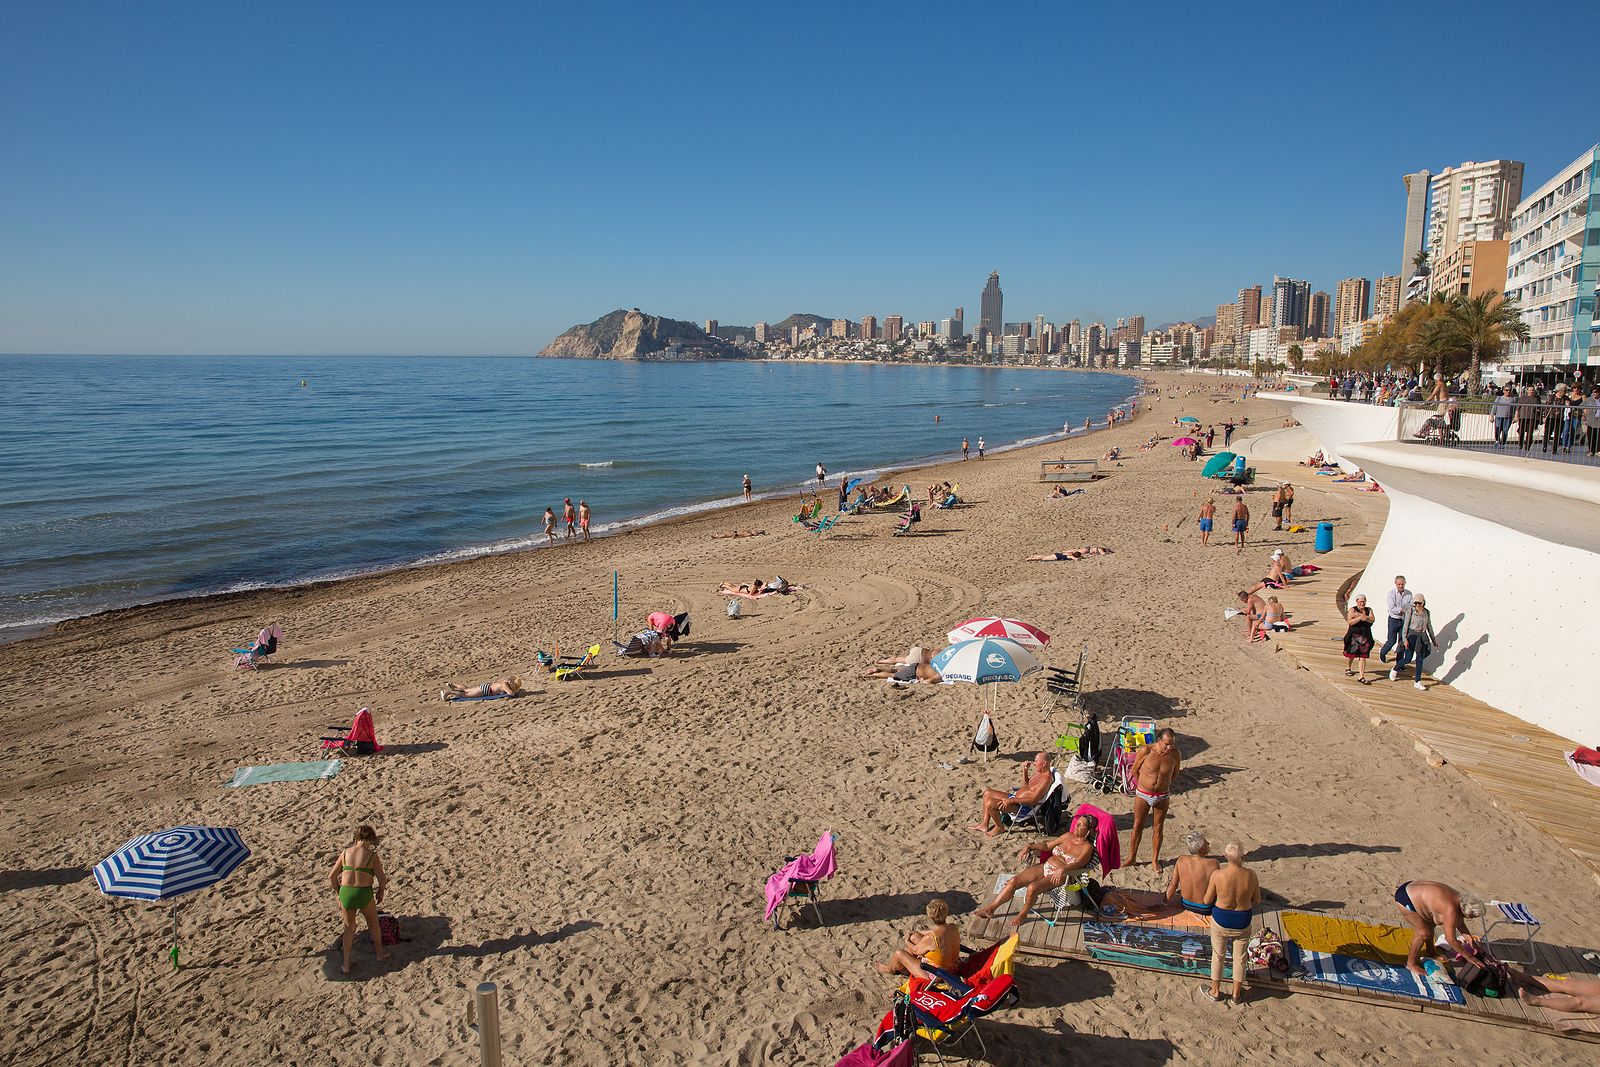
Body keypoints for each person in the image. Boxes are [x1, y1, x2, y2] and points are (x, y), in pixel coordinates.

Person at [972, 817, 1096, 928]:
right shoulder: (1068, 836)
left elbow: (1079, 863)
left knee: (1032, 888)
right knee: (1013, 881)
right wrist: (1031, 846)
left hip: (1063, 875)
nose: (1077, 826)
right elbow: (1048, 845)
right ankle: (990, 909)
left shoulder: (1087, 847)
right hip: (1046, 866)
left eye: (1081, 825)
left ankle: (1023, 914)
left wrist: (1063, 869)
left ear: (1088, 831)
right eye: (1077, 823)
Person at [1203, 841, 1262, 1002]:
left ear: (1225, 856)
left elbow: (1207, 899)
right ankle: (1236, 993)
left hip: (1221, 918)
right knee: (1240, 957)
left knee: (1218, 955)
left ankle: (1215, 990)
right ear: (1243, 857)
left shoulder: (1218, 875)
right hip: (1242, 919)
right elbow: (1257, 900)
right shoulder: (1251, 875)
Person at [329, 825, 389, 974]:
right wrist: (380, 892)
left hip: (346, 893)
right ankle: (380, 954)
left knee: (349, 928)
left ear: (356, 838)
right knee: (373, 923)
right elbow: (382, 879)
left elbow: (331, 877)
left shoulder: (345, 852)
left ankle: (346, 965)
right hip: (363, 893)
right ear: (371, 839)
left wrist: (339, 893)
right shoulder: (372, 856)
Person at [1393, 880, 1481, 978]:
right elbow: (1451, 939)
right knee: (1423, 933)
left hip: (1414, 887)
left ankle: (1430, 951)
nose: (1471, 919)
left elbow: (1461, 925)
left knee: (1431, 924)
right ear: (1465, 911)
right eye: (1471, 917)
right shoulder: (1450, 909)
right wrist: (1469, 957)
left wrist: (1474, 945)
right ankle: (1411, 963)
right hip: (1406, 898)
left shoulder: (1461, 900)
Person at [1126, 728, 1180, 871]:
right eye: (1167, 744)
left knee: (1158, 828)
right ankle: (1132, 857)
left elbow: (1174, 774)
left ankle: (1154, 860)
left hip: (1162, 795)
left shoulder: (1175, 755)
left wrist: (1163, 785)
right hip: (1143, 794)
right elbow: (1135, 770)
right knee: (1137, 826)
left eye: (1172, 744)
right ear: (1159, 741)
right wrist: (1144, 784)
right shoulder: (1146, 751)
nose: (1169, 747)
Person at [970, 752, 1055, 836]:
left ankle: (999, 827)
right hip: (1016, 799)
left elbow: (1033, 800)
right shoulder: (1039, 773)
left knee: (990, 803)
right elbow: (1025, 786)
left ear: (1044, 763)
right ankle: (984, 825)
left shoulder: (1046, 779)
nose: (1034, 763)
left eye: (1036, 761)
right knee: (987, 793)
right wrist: (1025, 771)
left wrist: (1011, 801)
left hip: (1023, 807)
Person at [875, 898, 959, 981]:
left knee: (899, 953)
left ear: (930, 917)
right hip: (953, 969)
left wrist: (907, 941)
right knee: (915, 937)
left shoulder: (931, 938)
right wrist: (920, 933)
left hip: (938, 976)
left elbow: (915, 950)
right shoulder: (953, 927)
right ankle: (903, 967)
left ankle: (889, 969)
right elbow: (940, 932)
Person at [1165, 831, 1219, 917]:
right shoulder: (1214, 863)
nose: (1208, 844)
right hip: (1205, 908)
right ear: (1201, 849)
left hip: (1186, 904)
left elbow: (1173, 884)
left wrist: (1164, 903)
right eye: (1206, 843)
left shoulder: (1181, 860)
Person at [1391, 593, 1438, 691]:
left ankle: (1417, 681)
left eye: (1419, 603)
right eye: (1415, 603)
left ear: (1423, 602)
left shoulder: (1426, 613)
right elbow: (1405, 626)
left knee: (1420, 659)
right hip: (1412, 636)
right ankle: (1395, 668)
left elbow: (1429, 626)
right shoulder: (1410, 612)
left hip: (1422, 637)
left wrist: (1433, 640)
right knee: (1408, 658)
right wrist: (1404, 639)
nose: (1417, 605)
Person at [1378, 575, 1413, 664]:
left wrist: (1405, 611)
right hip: (1394, 620)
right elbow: (1391, 608)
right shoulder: (1391, 594)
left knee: (1402, 641)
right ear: (1395, 584)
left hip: (1404, 620)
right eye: (1399, 584)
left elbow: (1410, 605)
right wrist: (1402, 610)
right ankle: (1383, 652)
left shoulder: (1409, 594)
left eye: (1402, 584)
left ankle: (1399, 662)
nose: (1401, 586)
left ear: (1405, 583)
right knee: (1392, 640)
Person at [1343, 594, 1376, 683]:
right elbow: (1349, 621)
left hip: (1365, 636)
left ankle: (1361, 676)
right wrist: (1359, 617)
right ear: (1357, 602)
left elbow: (1372, 619)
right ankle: (1348, 667)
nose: (1362, 603)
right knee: (1351, 655)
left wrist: (1364, 617)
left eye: (1363, 601)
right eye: (1360, 601)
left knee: (1363, 656)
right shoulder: (1352, 610)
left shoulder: (1369, 610)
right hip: (1354, 637)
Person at [442, 675, 524, 700]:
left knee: (467, 689)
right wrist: (516, 692)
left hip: (486, 686)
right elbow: (511, 693)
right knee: (466, 695)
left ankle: (453, 685)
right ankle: (448, 692)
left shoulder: (504, 681)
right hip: (486, 690)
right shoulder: (505, 686)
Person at [1026, 546, 1113, 561]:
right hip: (1057, 556)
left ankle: (1033, 556)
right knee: (1044, 558)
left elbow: (1067, 552)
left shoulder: (1071, 553)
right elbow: (1076, 559)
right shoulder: (1071, 556)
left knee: (1044, 557)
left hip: (1059, 554)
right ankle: (1032, 557)